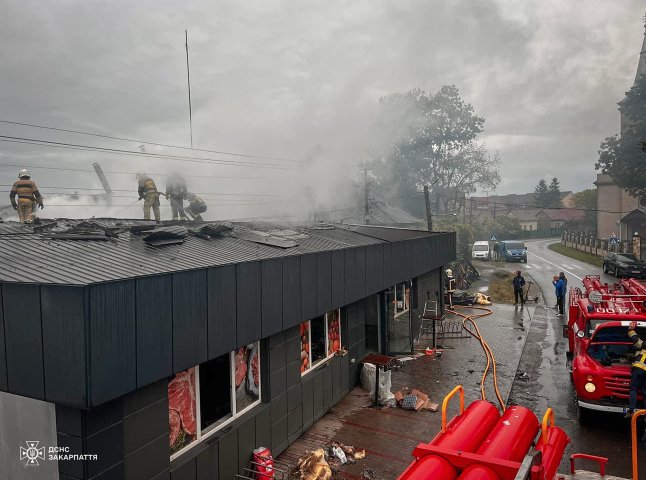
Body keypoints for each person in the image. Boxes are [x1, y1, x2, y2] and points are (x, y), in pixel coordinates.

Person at [625, 321, 646, 423]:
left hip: (638, 369)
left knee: (633, 389)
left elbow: (636, 340)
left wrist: (630, 329)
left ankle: (631, 410)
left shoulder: (644, 344)